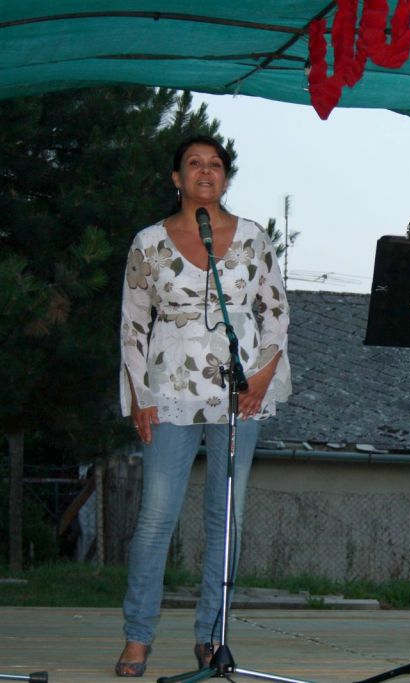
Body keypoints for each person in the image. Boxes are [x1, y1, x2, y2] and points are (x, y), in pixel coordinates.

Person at [115, 135, 291, 677]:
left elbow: (276, 312)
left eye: (215, 164)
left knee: (226, 517)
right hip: (170, 388)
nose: (206, 171)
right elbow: (133, 323)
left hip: (242, 391)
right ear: (177, 178)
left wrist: (262, 376)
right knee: (156, 516)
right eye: (194, 163)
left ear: (226, 178)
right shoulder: (148, 242)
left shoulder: (253, 238)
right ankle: (138, 636)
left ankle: (212, 635)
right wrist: (139, 395)